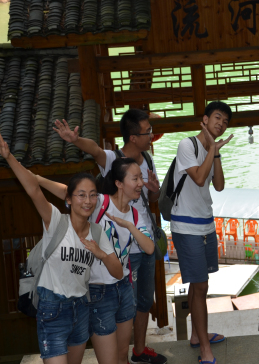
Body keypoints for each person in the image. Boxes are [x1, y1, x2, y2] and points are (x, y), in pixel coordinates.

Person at [53, 109, 166, 364]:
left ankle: (139, 350)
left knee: (144, 301)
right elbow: (94, 150)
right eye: (147, 131)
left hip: (143, 236)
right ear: (133, 136)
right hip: (123, 249)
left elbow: (152, 198)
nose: (151, 135)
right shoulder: (114, 159)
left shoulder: (147, 159)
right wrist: (75, 140)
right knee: (125, 303)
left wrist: (154, 190)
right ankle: (118, 354)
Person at [0, 132, 122, 364]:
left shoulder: (97, 232)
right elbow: (34, 191)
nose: (87, 201)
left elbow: (117, 272)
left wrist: (101, 254)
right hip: (52, 308)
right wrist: (8, 157)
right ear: (69, 199)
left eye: (92, 195)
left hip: (81, 307)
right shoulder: (56, 220)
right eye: (81, 195)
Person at [36, 158, 155, 364]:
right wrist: (37, 179)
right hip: (99, 291)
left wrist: (129, 226)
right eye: (135, 178)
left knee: (122, 355)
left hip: (124, 287)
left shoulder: (135, 215)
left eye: (141, 178)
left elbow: (149, 248)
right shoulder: (100, 202)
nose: (141, 183)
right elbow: (69, 192)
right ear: (119, 183)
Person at [170, 101, 233, 364]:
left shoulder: (211, 150)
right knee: (200, 285)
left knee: (200, 286)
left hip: (206, 224)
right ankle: (204, 349)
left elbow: (218, 185)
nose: (221, 124)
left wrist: (215, 152)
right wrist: (210, 148)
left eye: (225, 122)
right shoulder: (187, 145)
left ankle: (198, 335)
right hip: (186, 227)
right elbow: (198, 178)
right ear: (205, 119)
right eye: (217, 118)